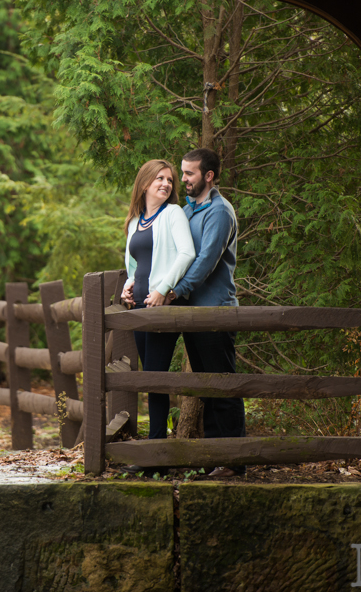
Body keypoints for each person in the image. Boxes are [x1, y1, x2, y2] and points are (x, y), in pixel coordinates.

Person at [167, 147, 246, 477]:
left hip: (215, 313)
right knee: (207, 387)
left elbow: (206, 262)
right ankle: (215, 457)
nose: (182, 179)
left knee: (223, 387)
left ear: (208, 176)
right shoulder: (188, 211)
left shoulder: (219, 212)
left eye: (189, 173)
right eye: (182, 173)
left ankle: (233, 461)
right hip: (193, 314)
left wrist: (175, 292)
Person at [120, 159, 195, 441]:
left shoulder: (173, 213)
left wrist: (163, 289)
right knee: (150, 378)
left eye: (170, 180)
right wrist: (128, 286)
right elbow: (133, 266)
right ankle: (155, 445)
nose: (166, 184)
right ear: (144, 184)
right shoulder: (135, 222)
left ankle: (156, 450)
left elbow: (186, 254)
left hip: (162, 309)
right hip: (139, 309)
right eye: (159, 179)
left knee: (156, 378)